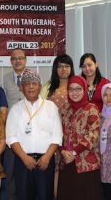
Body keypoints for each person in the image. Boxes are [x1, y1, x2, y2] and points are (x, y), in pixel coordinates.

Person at [6, 70, 63, 200]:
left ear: (40, 86)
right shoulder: (15, 109)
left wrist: (47, 157)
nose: (31, 86)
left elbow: (57, 135)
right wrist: (24, 157)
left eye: (34, 83)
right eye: (26, 84)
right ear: (21, 88)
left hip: (45, 162)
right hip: (23, 162)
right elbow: (11, 137)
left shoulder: (50, 107)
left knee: (45, 196)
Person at [57, 75, 102, 200]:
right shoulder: (64, 110)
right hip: (66, 162)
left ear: (84, 90)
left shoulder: (91, 109)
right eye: (71, 89)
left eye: (78, 89)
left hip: (86, 164)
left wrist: (73, 152)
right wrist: (62, 151)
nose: (74, 93)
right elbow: (57, 133)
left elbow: (92, 136)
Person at [40, 53, 75, 198]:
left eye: (67, 66)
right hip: (51, 135)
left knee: (68, 171)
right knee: (54, 170)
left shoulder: (76, 85)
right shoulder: (48, 87)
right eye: (60, 66)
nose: (63, 69)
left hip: (71, 135)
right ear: (55, 69)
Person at [2, 48, 28, 200]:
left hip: (29, 129)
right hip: (11, 129)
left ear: (25, 60)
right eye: (14, 59)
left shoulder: (33, 76)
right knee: (10, 168)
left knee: (27, 166)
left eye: (20, 58)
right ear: (11, 61)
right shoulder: (5, 78)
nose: (17, 61)